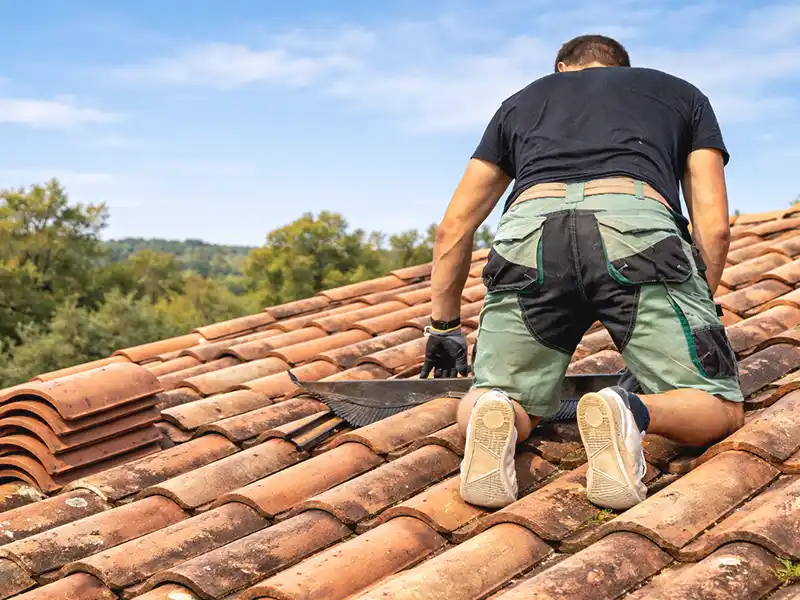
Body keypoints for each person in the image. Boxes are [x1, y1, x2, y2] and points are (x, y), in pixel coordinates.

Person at [421, 34, 744, 511]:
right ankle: (628, 410)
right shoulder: (682, 94)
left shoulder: (522, 102)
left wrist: (445, 326)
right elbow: (713, 228)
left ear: (561, 68)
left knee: (497, 392)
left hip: (528, 233)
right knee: (718, 404)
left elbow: (453, 228)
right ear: (623, 68)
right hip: (634, 227)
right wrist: (695, 316)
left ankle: (495, 411)